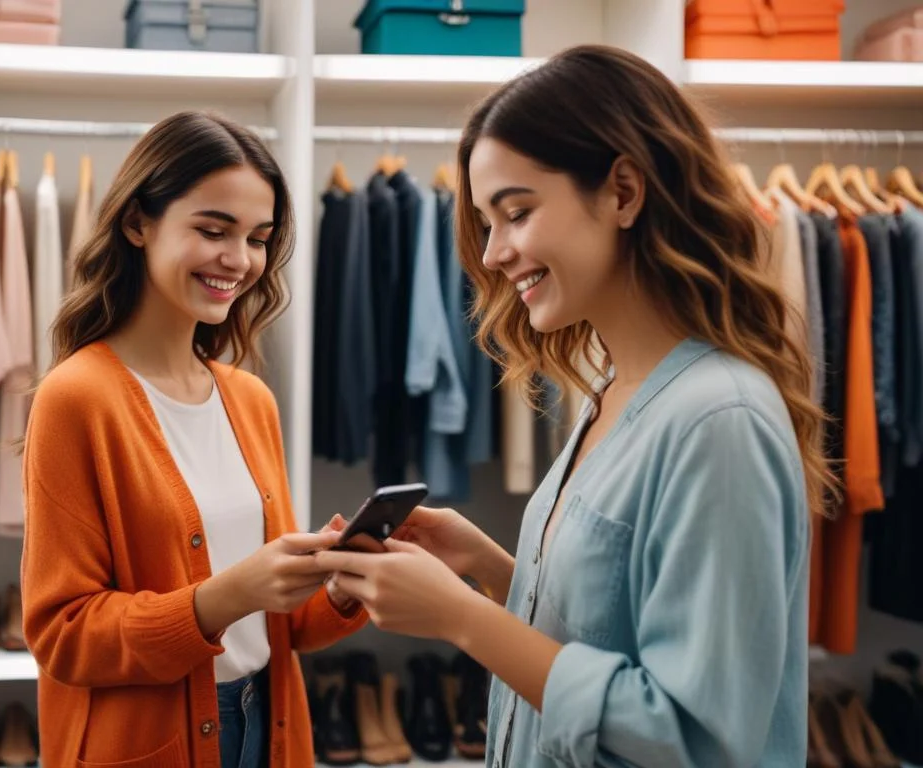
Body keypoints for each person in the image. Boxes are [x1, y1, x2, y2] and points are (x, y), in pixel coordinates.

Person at [314, 45, 832, 767]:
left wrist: (461, 617)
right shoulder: (613, 390)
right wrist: (491, 568)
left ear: (623, 191)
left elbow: (698, 740)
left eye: (516, 213)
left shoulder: (720, 422)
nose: (492, 254)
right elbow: (610, 627)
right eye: (487, 223)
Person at [20, 111, 367, 768]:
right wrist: (228, 595)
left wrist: (341, 586)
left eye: (258, 238)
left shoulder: (250, 399)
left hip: (269, 724)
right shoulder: (76, 398)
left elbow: (281, 629)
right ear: (137, 223)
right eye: (213, 230)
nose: (240, 260)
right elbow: (63, 637)